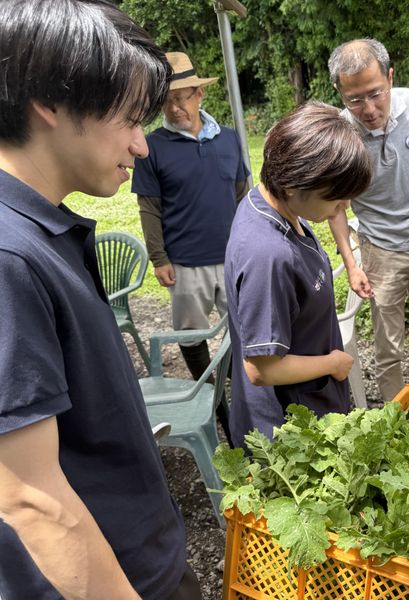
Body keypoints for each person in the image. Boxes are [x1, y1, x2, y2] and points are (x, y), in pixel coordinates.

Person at [0, 1, 199, 598]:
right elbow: (29, 498)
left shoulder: (31, 226)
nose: (142, 145)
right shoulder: (0, 259)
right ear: (50, 103)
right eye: (130, 119)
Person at [224, 102, 372, 443]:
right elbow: (261, 369)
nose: (344, 206)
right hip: (289, 426)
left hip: (313, 397)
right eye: (335, 197)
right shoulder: (268, 253)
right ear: (293, 184)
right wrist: (333, 363)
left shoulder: (272, 203)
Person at [327, 38, 409, 402]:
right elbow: (335, 206)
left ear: (390, 78)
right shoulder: (340, 131)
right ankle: (396, 419)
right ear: (340, 93)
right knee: (389, 347)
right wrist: (352, 264)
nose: (368, 108)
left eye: (375, 93)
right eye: (354, 99)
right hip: (380, 251)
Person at [132, 52, 250, 425]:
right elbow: (148, 208)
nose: (175, 106)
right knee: (191, 335)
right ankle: (214, 399)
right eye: (166, 99)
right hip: (184, 263)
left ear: (200, 94)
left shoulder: (229, 140)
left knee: (243, 326)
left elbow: (243, 196)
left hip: (233, 257)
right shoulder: (153, 148)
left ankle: (246, 386)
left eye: (182, 96)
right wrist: (159, 257)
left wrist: (250, 246)